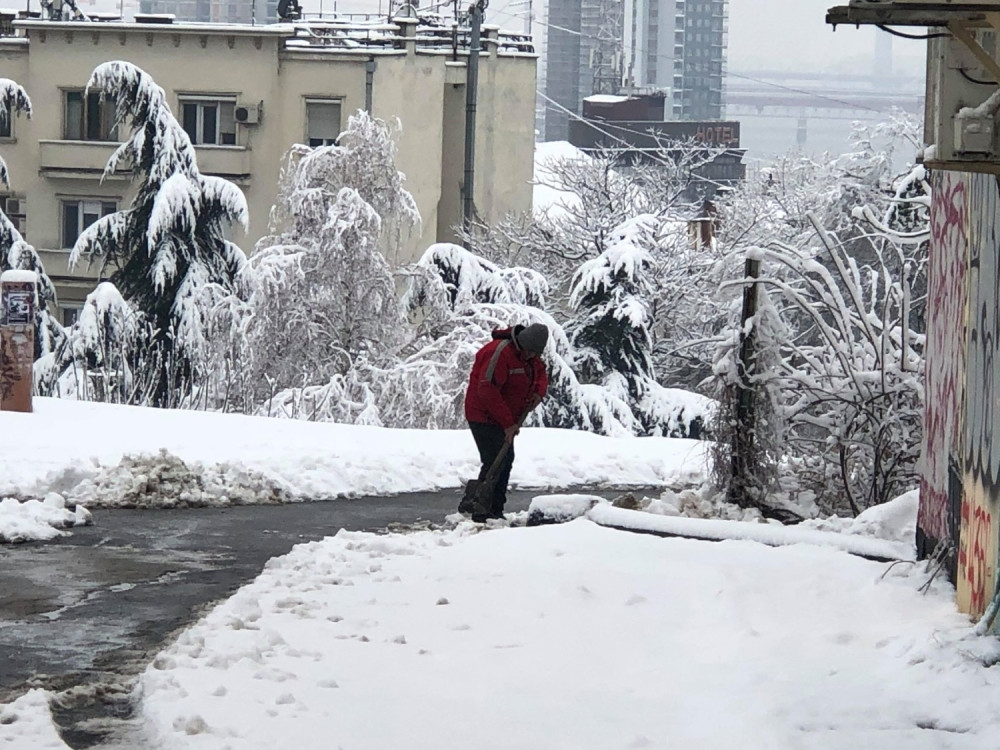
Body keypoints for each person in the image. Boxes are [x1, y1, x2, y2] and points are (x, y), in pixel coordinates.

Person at [463, 323, 549, 521]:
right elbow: (487, 390)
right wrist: (508, 424)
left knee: (502, 459)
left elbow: (540, 373)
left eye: (534, 354)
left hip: (505, 415)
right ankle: (485, 510)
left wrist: (538, 392)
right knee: (497, 459)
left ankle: (488, 507)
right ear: (522, 343)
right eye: (529, 352)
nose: (531, 357)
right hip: (483, 414)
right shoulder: (500, 353)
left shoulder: (530, 356)